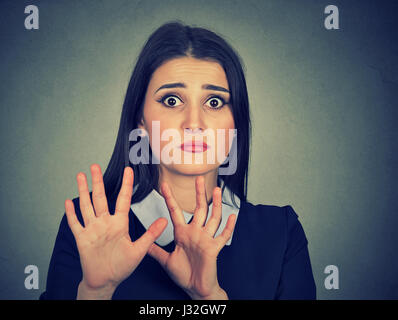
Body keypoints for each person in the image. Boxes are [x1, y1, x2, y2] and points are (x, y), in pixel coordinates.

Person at [40, 21, 316, 300]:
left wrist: (210, 299)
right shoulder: (92, 225)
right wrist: (95, 292)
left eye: (215, 102)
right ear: (141, 120)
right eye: (172, 100)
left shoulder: (280, 232)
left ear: (236, 122)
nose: (194, 123)